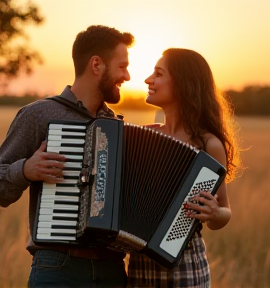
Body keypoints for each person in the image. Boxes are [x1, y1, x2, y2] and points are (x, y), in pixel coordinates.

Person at [0, 25, 134, 288]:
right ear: (97, 65)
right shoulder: (39, 114)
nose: (127, 76)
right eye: (122, 66)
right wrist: (25, 170)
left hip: (113, 269)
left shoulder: (117, 127)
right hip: (58, 268)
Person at [127, 48, 242, 288]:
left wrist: (214, 213)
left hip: (184, 266)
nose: (148, 79)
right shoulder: (144, 136)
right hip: (139, 266)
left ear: (182, 83)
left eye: (158, 74)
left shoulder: (208, 144)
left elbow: (224, 211)